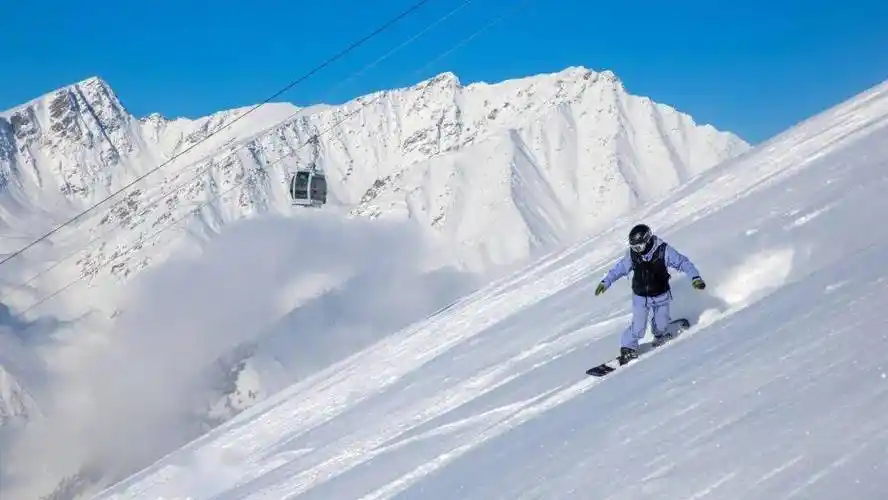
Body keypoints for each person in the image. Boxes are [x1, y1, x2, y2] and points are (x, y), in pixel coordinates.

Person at [594, 223, 706, 365]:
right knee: (638, 328)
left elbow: (683, 263)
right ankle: (628, 347)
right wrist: (606, 282)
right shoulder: (633, 255)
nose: (637, 250)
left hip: (661, 295)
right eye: (634, 247)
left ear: (647, 241)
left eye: (639, 247)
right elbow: (619, 269)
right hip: (640, 297)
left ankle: (659, 333)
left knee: (661, 325)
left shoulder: (663, 251)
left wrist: (695, 277)